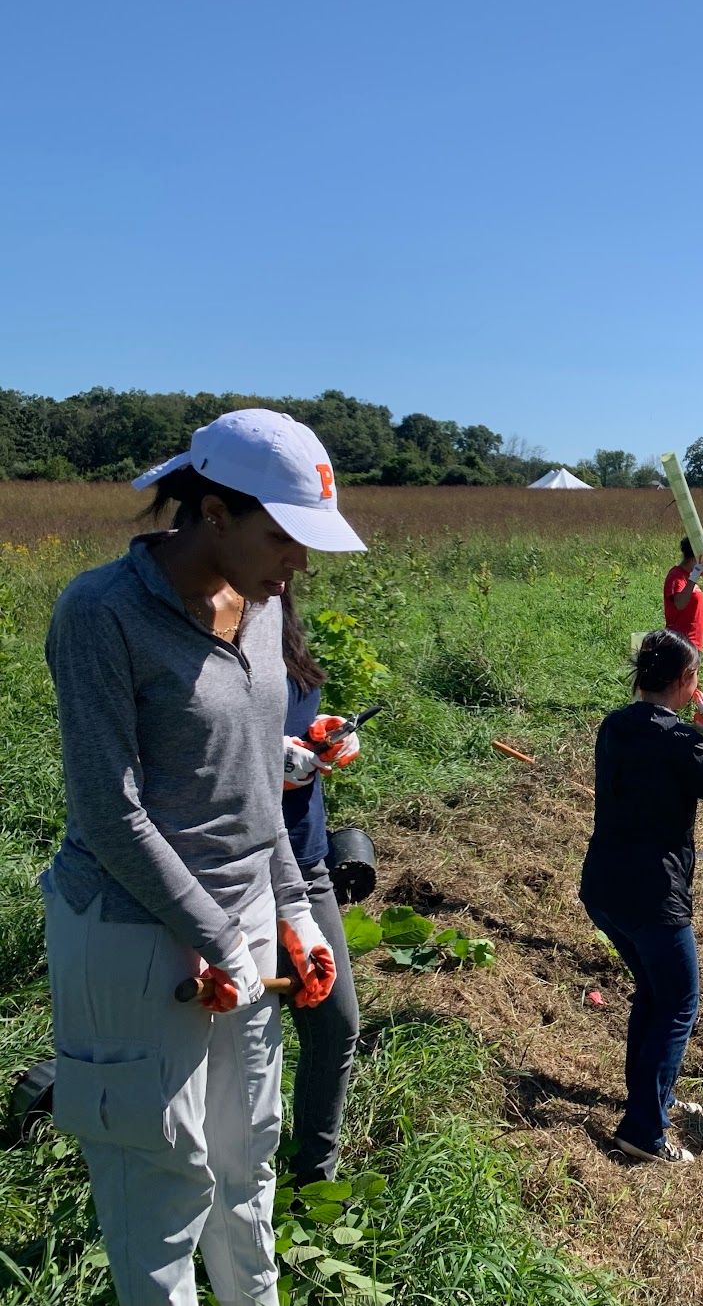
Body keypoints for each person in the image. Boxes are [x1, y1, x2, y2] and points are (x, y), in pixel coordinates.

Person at [41, 407, 361, 1305]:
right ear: (215, 513)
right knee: (162, 1179)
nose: (298, 563)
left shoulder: (261, 605)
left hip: (243, 919)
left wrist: (291, 911)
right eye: (283, 537)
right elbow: (110, 813)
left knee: (245, 1158)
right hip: (133, 929)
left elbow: (256, 785)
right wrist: (217, 938)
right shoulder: (102, 613)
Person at [580, 630, 703, 1163]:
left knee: (654, 993)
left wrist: (699, 736)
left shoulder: (614, 725)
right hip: (654, 896)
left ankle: (650, 1098)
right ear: (685, 680)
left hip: (604, 887)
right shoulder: (680, 741)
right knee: (679, 1002)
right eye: (695, 676)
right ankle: (643, 1133)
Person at [276, 594, 364, 1188]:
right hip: (237, 867)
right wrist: (263, 758)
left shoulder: (277, 625)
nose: (297, 565)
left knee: (336, 1025)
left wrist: (323, 733)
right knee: (237, 1043)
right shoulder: (212, 635)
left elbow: (291, 722)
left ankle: (312, 1182)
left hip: (306, 860)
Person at [663, 537, 703, 649]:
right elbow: (680, 603)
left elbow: (690, 599)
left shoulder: (687, 576)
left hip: (693, 643)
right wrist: (695, 575)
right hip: (681, 643)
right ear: (696, 557)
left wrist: (702, 613)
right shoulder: (677, 576)